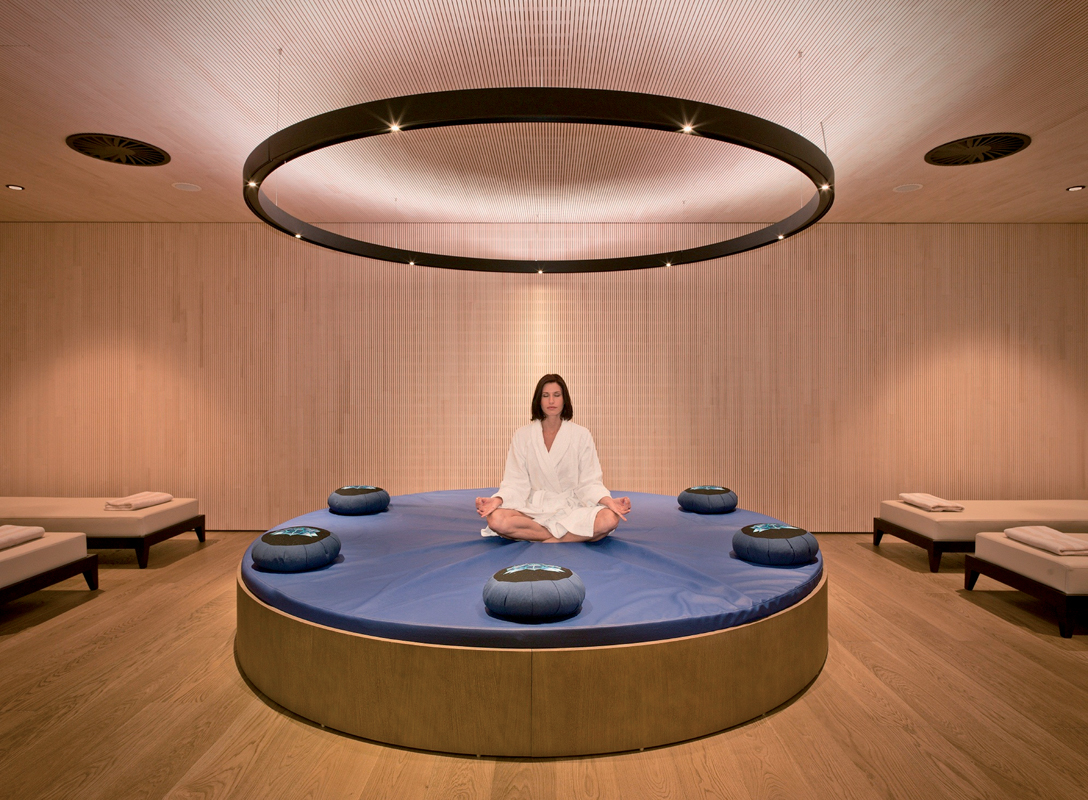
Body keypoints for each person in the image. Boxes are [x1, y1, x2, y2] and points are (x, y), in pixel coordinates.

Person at [475, 374, 631, 542]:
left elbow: (589, 481)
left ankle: (543, 537)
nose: (551, 401)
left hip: (572, 508)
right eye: (545, 395)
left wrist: (608, 501)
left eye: (556, 395)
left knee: (609, 519)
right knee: (496, 520)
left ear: (564, 399)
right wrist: (497, 500)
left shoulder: (581, 435)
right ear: (538, 400)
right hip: (534, 509)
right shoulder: (523, 435)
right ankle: (566, 537)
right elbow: (515, 482)